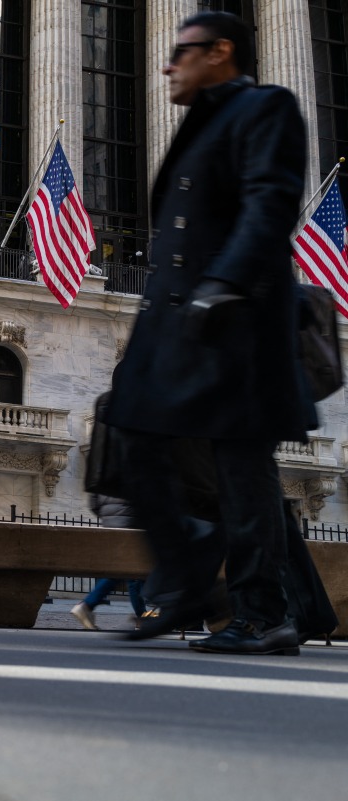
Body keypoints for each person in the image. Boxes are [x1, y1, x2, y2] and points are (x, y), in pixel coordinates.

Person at [105, 12, 316, 655]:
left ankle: (261, 611)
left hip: (233, 320)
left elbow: (269, 203)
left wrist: (224, 283)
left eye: (183, 52)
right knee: (127, 430)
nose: (170, 65)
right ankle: (190, 568)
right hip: (172, 320)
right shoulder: (201, 121)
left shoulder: (265, 107)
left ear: (221, 52)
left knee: (241, 467)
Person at [70, 493, 147, 630]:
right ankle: (87, 604)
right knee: (127, 573)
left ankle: (142, 618)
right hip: (131, 524)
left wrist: (109, 517)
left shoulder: (107, 471)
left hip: (110, 525)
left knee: (131, 574)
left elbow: (93, 503)